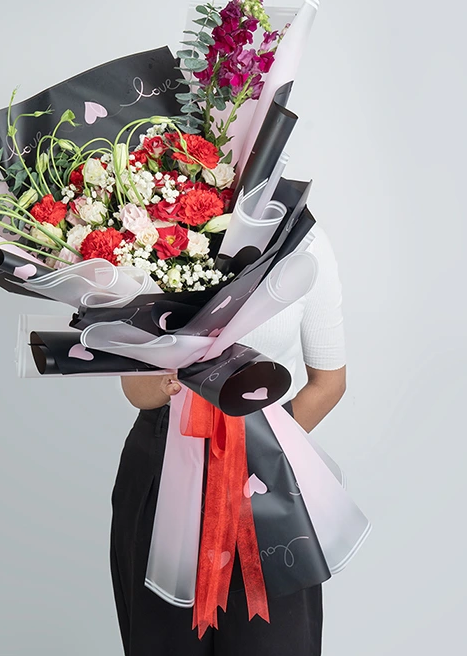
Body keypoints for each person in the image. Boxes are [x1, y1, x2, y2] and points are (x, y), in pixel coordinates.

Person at [110, 223, 347, 656]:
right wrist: (163, 380)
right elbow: (136, 390)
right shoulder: (154, 233)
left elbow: (329, 383)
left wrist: (262, 449)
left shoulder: (306, 242)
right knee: (163, 640)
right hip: (161, 465)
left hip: (267, 475)